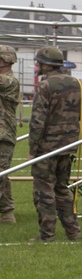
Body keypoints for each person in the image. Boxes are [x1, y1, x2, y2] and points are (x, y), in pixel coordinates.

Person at [27, 46, 82, 242]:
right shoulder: (77, 83)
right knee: (62, 188)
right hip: (68, 145)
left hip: (47, 147)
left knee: (44, 189)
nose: (36, 66)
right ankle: (73, 232)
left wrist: (33, 150)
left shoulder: (45, 86)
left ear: (46, 64)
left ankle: (47, 235)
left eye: (39, 62)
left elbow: (37, 120)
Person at [0, 45, 19, 224]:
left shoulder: (10, 80)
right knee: (2, 174)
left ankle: (7, 212)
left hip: (3, 134)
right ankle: (7, 212)